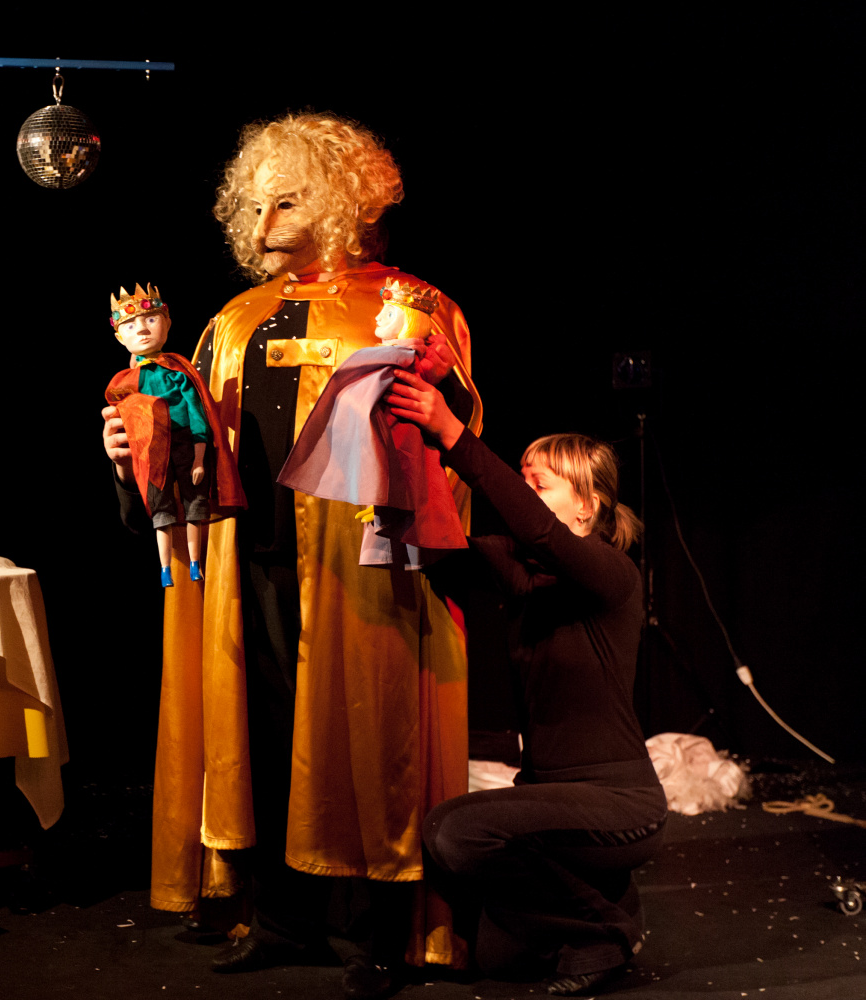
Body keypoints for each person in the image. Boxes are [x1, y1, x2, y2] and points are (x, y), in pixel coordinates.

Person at [102, 112, 480, 997]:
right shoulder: (233, 321)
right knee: (265, 740)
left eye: (288, 201)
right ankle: (280, 919)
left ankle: (378, 928)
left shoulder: (413, 307)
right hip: (254, 561)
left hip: (364, 565)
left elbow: (454, 436)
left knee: (368, 742)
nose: (264, 222)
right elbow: (194, 447)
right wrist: (132, 462)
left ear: (343, 202)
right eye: (257, 203)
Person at [387, 369, 664, 996]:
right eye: (523, 481)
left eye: (539, 484)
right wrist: (398, 461)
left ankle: (606, 928)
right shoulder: (522, 572)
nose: (524, 493)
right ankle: (609, 896)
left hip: (620, 802)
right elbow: (438, 550)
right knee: (499, 957)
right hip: (550, 798)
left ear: (587, 506)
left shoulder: (612, 575)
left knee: (454, 831)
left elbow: (540, 530)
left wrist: (453, 434)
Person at [104, 284, 245, 586]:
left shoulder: (180, 373)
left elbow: (197, 415)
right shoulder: (126, 381)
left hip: (185, 446)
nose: (142, 329)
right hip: (153, 450)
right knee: (161, 510)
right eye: (130, 325)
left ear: (167, 322)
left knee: (195, 505)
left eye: (150, 319)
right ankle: (165, 567)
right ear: (119, 337)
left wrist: (199, 457)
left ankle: (194, 562)